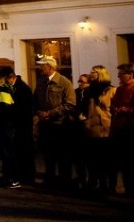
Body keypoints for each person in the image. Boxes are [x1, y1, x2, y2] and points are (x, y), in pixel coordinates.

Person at [33, 55, 76, 189]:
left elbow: (70, 103)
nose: (40, 68)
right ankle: (50, 179)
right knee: (48, 154)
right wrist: (39, 112)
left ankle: (65, 181)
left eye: (42, 66)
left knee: (62, 155)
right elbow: (34, 101)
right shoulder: (41, 82)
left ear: (50, 67)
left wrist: (51, 113)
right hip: (45, 125)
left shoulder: (64, 82)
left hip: (60, 125)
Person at [84, 66, 115, 193]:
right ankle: (96, 184)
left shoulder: (111, 90)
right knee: (93, 160)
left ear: (101, 74)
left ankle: (109, 186)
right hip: (92, 129)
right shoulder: (89, 90)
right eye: (91, 71)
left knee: (107, 161)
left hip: (106, 129)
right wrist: (85, 120)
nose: (91, 74)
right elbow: (85, 108)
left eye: (94, 72)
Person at [0, 68, 20, 188]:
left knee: (7, 153)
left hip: (4, 127)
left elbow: (3, 111)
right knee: (7, 153)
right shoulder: (8, 89)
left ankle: (11, 178)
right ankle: (8, 177)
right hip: (7, 126)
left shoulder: (3, 91)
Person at [110, 63, 134, 197]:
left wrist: (126, 110)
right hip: (119, 129)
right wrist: (114, 109)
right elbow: (113, 104)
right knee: (124, 163)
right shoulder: (119, 89)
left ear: (129, 75)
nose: (118, 77)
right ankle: (127, 188)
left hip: (130, 129)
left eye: (120, 75)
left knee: (130, 161)